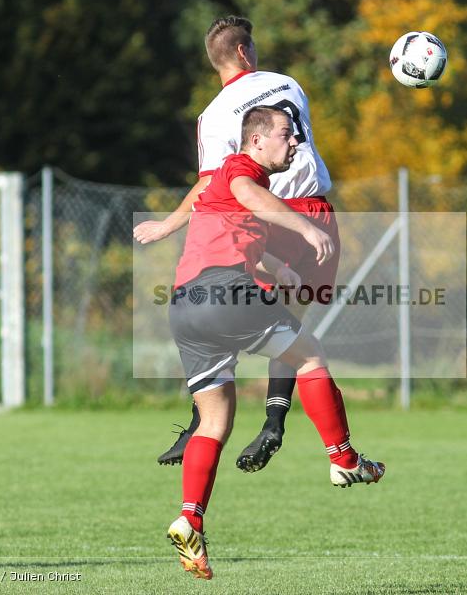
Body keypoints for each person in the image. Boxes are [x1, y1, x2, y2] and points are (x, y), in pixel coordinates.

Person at [156, 105, 384, 580]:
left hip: (185, 306)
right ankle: (343, 458)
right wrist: (304, 227)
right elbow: (243, 190)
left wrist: (275, 268)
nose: (295, 142)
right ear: (256, 140)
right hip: (224, 293)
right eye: (286, 134)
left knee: (214, 421)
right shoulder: (241, 169)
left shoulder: (240, 191)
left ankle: (190, 517)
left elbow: (233, 242)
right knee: (310, 356)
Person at [134, 16, 339, 473]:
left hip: (272, 219)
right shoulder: (289, 84)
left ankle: (200, 422)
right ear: (247, 52)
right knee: (296, 332)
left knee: (235, 317)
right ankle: (275, 424)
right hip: (319, 213)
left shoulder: (217, 113)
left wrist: (170, 223)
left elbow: (213, 185)